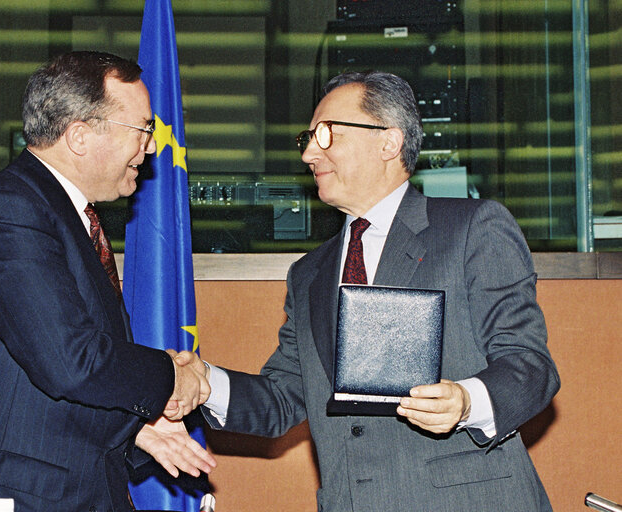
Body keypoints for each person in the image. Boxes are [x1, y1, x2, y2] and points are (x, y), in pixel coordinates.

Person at [175, 71, 560, 511]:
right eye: (307, 137)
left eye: (326, 134)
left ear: (388, 143)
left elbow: (530, 366)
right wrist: (206, 385)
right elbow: (284, 397)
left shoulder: (473, 229)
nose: (307, 153)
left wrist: (467, 400)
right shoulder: (308, 274)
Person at [0, 51, 215, 512]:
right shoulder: (8, 210)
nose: (150, 147)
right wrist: (171, 377)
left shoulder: (63, 214)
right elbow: (72, 360)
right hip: (3, 495)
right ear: (80, 136)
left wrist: (135, 429)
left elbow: (46, 380)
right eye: (143, 130)